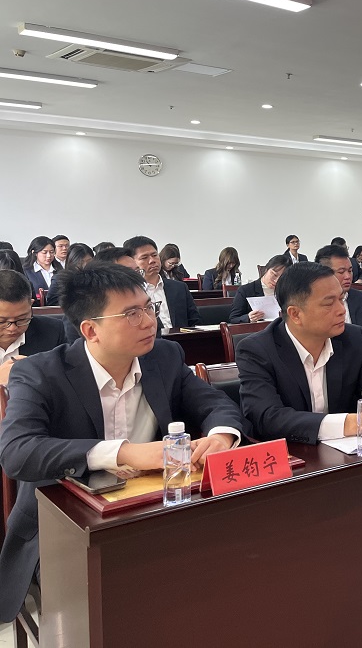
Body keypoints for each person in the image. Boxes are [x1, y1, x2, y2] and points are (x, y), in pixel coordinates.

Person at [0, 264, 241, 623]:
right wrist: (124, 452)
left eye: (149, 308)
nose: (149, 322)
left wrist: (221, 435)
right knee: (126, 601)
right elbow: (17, 451)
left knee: (226, 569)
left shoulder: (163, 356)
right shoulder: (40, 372)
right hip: (64, 529)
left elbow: (214, 403)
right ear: (90, 330)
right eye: (131, 314)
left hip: (154, 511)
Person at [237, 262, 362, 444]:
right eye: (329, 303)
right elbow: (268, 418)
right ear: (295, 314)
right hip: (294, 454)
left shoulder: (352, 338)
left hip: (349, 453)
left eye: (341, 299)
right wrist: (356, 422)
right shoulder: (257, 350)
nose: (342, 310)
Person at [0, 270, 67, 384]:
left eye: (22, 319)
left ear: (30, 305)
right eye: (2, 321)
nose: (12, 328)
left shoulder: (53, 332)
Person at [123, 236, 201, 329]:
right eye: (144, 257)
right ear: (132, 262)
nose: (152, 261)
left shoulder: (179, 288)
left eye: (154, 255)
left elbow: (195, 321)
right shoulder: (130, 293)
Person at [315, 245, 362, 345]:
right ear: (323, 274)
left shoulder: (361, 298)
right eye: (341, 272)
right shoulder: (316, 303)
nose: (348, 276)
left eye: (350, 271)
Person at [229, 255, 287, 324]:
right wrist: (248, 318)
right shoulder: (246, 290)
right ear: (266, 269)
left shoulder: (286, 291)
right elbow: (233, 318)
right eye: (274, 275)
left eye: (281, 278)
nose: (276, 281)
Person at [44, 242, 94, 307]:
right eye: (80, 262)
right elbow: (52, 305)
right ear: (71, 262)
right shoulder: (59, 279)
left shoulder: (97, 278)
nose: (85, 265)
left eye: (89, 261)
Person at [23, 236, 59, 303]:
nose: (49, 256)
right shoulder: (26, 271)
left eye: (51, 252)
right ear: (34, 253)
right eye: (44, 252)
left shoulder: (60, 270)